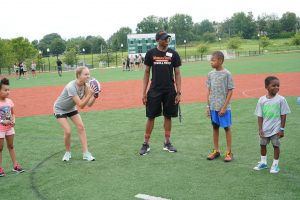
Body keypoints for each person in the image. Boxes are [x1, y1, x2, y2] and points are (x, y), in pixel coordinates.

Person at [139, 31, 182, 155]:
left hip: (170, 90)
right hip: (154, 90)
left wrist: (179, 92)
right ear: (158, 40)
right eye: (164, 38)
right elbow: (146, 72)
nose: (167, 40)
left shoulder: (174, 54)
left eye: (168, 38)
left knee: (168, 116)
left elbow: (177, 73)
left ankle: (167, 143)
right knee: (151, 116)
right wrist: (144, 93)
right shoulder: (151, 53)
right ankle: (146, 144)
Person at [53, 66, 97, 161]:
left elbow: (89, 104)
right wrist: (90, 94)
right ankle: (67, 153)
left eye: (88, 74)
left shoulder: (86, 86)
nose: (88, 76)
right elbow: (81, 105)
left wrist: (95, 96)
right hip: (60, 109)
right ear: (78, 75)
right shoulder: (71, 86)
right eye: (85, 74)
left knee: (81, 127)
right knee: (68, 131)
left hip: (71, 108)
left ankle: (86, 153)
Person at [253, 76, 290, 173]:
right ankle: (263, 162)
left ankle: (275, 165)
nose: (277, 87)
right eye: (274, 85)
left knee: (276, 145)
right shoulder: (261, 100)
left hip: (276, 129)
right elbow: (260, 116)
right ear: (266, 86)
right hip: (265, 128)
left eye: (278, 86)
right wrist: (260, 129)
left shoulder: (281, 99)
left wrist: (282, 129)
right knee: (262, 145)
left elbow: (283, 114)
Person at [206, 51, 234, 162]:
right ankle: (216, 150)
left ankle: (229, 152)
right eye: (211, 60)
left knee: (226, 128)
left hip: (224, 107)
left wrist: (224, 107)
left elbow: (230, 91)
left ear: (221, 61)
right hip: (213, 106)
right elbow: (209, 90)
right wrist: (208, 106)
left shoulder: (227, 74)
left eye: (213, 60)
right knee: (215, 127)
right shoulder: (210, 74)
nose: (211, 62)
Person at [0, 78, 25, 177]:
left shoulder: (9, 101)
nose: (8, 92)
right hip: (0, 129)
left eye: (8, 90)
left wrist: (14, 120)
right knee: (0, 148)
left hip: (9, 128)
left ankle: (15, 165)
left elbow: (13, 114)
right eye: (5, 90)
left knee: (11, 146)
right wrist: (2, 121)